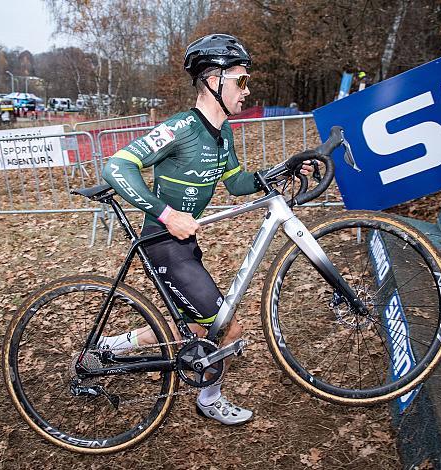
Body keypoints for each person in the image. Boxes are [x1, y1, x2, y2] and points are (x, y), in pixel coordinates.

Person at [101, 34, 311, 425]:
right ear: (214, 80)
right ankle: (209, 400)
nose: (247, 91)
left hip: (186, 243)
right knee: (225, 329)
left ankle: (112, 346)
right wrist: (165, 213)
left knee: (196, 326)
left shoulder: (223, 134)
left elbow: (236, 183)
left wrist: (284, 168)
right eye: (241, 81)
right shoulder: (180, 128)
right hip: (163, 243)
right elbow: (116, 167)